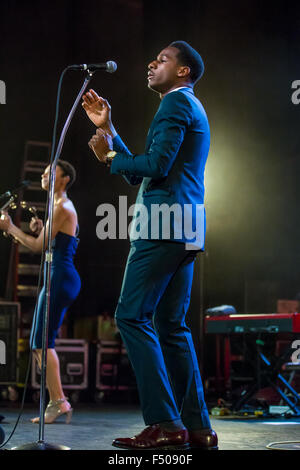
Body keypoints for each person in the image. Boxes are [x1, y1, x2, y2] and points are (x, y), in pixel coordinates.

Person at [82, 40, 218, 450]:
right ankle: (198, 428)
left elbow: (154, 167)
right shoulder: (190, 106)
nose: (151, 64)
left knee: (130, 316)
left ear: (182, 71)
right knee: (171, 327)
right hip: (187, 227)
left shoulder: (175, 104)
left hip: (163, 226)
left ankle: (166, 423)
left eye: (161, 60)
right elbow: (152, 171)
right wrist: (108, 130)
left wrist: (108, 158)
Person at [0, 160, 81, 424]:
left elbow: (37, 247)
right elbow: (51, 241)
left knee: (43, 344)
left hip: (60, 277)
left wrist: (11, 229)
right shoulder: (57, 208)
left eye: (51, 172)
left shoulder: (61, 206)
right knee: (38, 344)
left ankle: (58, 402)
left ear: (65, 178)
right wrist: (40, 230)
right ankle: (57, 401)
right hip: (56, 278)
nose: (44, 175)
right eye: (44, 172)